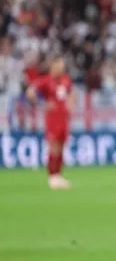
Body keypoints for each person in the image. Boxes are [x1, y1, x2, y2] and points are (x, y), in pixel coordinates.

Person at [27, 57, 74, 190]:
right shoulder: (45, 81)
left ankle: (58, 175)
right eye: (59, 65)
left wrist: (70, 103)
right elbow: (30, 92)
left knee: (62, 146)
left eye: (63, 66)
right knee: (54, 146)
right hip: (53, 118)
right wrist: (42, 105)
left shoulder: (65, 80)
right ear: (53, 66)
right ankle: (52, 176)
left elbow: (72, 92)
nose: (62, 68)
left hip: (64, 117)